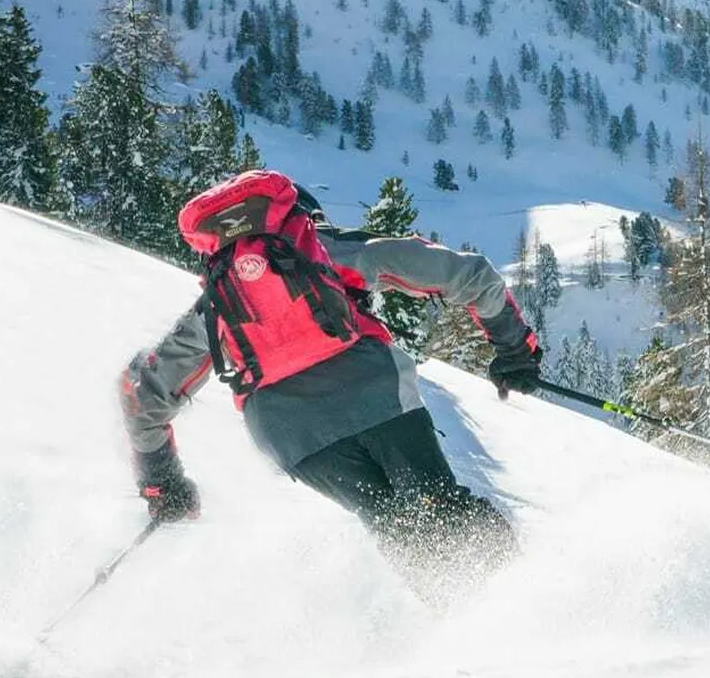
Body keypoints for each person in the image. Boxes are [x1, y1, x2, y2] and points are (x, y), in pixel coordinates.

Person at [117, 169, 544, 588]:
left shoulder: (217, 303)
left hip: (290, 437)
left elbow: (143, 395)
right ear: (302, 220)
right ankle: (520, 599)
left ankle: (460, 620)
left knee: (394, 525)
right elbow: (469, 275)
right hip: (374, 396)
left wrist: (161, 482)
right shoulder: (330, 252)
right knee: (438, 504)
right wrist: (514, 349)